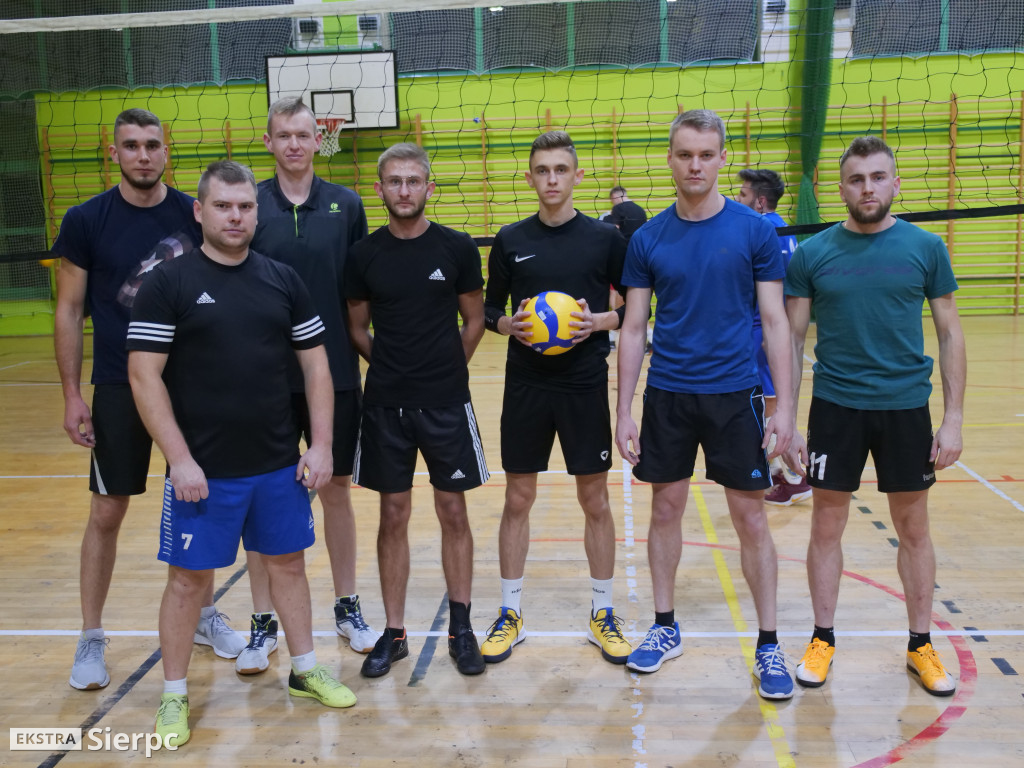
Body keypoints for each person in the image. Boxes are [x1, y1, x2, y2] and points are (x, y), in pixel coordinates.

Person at [128, 160, 357, 747]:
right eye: (223, 206)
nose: (236, 216)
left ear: (257, 212)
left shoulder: (283, 279)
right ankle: (174, 695)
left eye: (245, 207)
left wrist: (321, 445)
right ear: (199, 211)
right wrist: (179, 459)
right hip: (203, 472)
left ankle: (305, 670)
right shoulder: (168, 283)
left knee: (289, 566)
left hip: (277, 464)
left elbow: (317, 366)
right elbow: (143, 376)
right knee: (188, 582)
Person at [53, 108, 245, 692]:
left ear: (167, 150)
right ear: (114, 153)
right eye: (131, 145)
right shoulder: (86, 220)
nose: (143, 154)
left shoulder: (193, 212)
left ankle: (205, 615)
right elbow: (69, 309)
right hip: (120, 383)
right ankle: (91, 634)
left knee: (199, 500)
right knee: (107, 510)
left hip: (192, 384)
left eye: (152, 145)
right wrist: (71, 394)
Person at [615, 109, 796, 700]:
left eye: (706, 155)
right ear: (670, 159)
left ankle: (769, 644)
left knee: (751, 518)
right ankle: (665, 627)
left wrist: (785, 408)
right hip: (669, 395)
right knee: (665, 510)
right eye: (685, 154)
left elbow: (776, 322)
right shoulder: (648, 238)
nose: (695, 165)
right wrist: (624, 410)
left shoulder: (754, 231)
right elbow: (634, 328)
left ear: (721, 159)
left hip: (735, 395)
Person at [785, 136, 965, 696]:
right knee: (826, 525)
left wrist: (954, 418)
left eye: (878, 177)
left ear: (895, 183)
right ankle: (822, 639)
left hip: (905, 407)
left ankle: (921, 645)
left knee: (914, 528)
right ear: (841, 188)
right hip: (836, 407)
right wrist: (786, 418)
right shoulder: (813, 253)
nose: (868, 188)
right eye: (857, 179)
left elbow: (950, 332)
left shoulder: (926, 247)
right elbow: (790, 339)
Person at [236, 96, 376, 675]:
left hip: (334, 376)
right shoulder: (250, 205)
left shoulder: (347, 204)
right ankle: (262, 620)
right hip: (263, 381)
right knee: (262, 495)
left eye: (303, 134)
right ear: (268, 142)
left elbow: (360, 294)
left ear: (320, 140)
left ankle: (347, 606)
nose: (294, 144)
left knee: (338, 489)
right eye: (283, 135)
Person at [481, 130, 630, 666]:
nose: (551, 179)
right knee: (517, 499)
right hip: (526, 384)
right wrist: (508, 325)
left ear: (577, 176)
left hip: (583, 384)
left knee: (596, 501)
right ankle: (510, 612)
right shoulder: (509, 239)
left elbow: (636, 309)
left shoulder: (605, 239)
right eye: (542, 170)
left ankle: (602, 613)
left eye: (561, 170)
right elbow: (488, 309)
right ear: (529, 178)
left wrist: (599, 321)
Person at [346, 142, 488, 678]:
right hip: (386, 405)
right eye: (394, 181)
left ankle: (461, 628)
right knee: (393, 514)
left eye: (413, 181)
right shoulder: (363, 255)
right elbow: (357, 327)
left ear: (429, 187)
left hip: (446, 402)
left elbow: (474, 320)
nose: (403, 190)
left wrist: (447, 367)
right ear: (379, 189)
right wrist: (391, 367)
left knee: (453, 511)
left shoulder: (456, 247)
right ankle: (395, 632)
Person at [736, 168, 812, 506]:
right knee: (767, 404)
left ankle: (795, 476)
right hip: (771, 328)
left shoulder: (762, 229)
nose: (737, 199)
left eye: (743, 194)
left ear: (760, 201)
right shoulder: (783, 227)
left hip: (763, 331)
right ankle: (780, 472)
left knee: (769, 407)